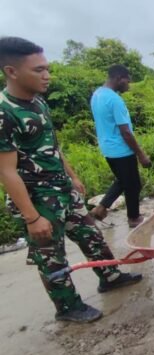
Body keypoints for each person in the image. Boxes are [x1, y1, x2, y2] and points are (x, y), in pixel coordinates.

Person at [0, 37, 142, 323]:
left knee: (91, 235)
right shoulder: (5, 113)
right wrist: (31, 217)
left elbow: (52, 145)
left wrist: (73, 177)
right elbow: (6, 171)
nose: (47, 75)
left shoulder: (39, 102)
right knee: (52, 257)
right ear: (11, 71)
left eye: (47, 69)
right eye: (38, 70)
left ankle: (110, 276)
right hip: (38, 200)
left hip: (63, 189)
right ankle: (67, 308)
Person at [89, 65, 151, 228]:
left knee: (123, 180)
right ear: (118, 79)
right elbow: (126, 132)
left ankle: (101, 208)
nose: (129, 84)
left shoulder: (97, 94)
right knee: (133, 184)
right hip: (121, 149)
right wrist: (141, 154)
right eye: (127, 80)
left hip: (107, 148)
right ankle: (134, 218)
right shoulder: (115, 100)